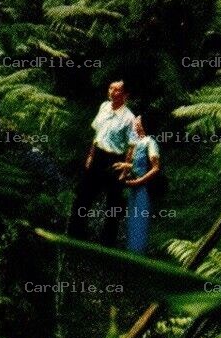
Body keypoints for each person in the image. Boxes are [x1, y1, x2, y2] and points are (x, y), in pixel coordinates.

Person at [68, 80, 135, 242]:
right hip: (97, 155)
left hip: (115, 160)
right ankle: (75, 232)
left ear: (125, 95)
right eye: (110, 88)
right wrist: (91, 155)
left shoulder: (129, 118)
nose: (112, 92)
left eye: (117, 90)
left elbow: (132, 145)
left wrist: (125, 170)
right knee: (84, 193)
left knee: (113, 201)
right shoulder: (104, 107)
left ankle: (108, 240)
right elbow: (97, 133)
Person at [115, 112, 161, 255]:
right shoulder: (137, 143)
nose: (134, 123)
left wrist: (139, 181)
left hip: (143, 187)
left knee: (139, 219)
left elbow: (155, 167)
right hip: (134, 186)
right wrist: (125, 165)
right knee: (132, 219)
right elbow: (137, 165)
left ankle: (137, 254)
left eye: (137, 121)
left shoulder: (150, 142)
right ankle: (130, 252)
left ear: (142, 125)